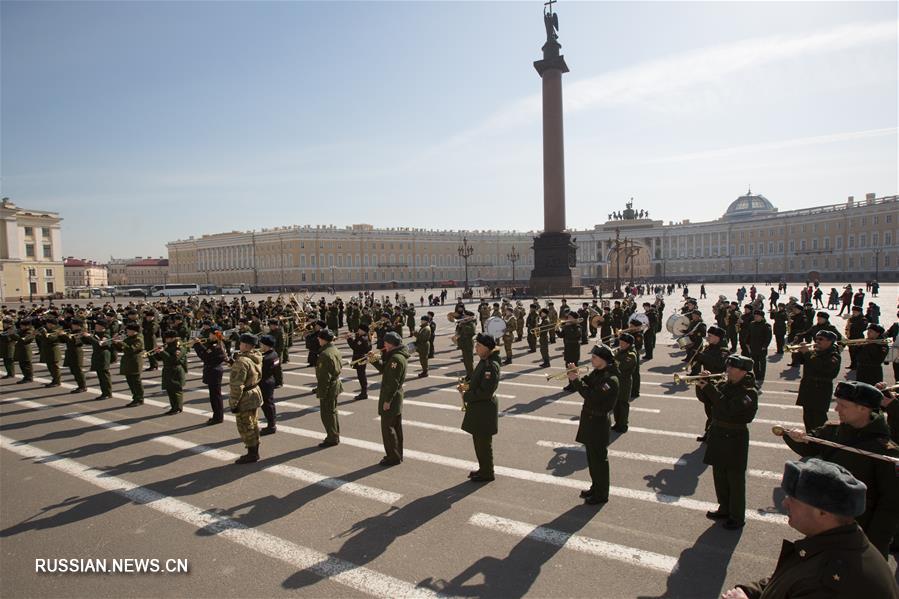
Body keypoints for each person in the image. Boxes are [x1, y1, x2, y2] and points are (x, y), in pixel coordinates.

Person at [721, 458, 898, 599]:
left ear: (822, 513)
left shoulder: (829, 582)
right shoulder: (837, 540)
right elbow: (788, 581)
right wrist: (749, 592)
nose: (784, 503)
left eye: (793, 498)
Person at [782, 380, 899, 557]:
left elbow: (889, 505)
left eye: (843, 405)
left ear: (864, 409)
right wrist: (796, 437)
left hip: (859, 532)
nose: (837, 409)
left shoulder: (884, 450)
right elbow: (810, 447)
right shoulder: (834, 431)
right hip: (825, 524)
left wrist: (874, 544)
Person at [696, 355, 759, 530]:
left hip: (734, 436)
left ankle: (737, 516)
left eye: (732, 368)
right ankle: (724, 508)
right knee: (720, 475)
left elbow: (728, 408)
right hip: (718, 432)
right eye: (728, 367)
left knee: (735, 478)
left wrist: (710, 389)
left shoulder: (749, 392)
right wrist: (702, 384)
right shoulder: (725, 385)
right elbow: (707, 400)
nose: (728, 370)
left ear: (743, 371)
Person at [568, 344, 618, 505]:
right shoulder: (598, 372)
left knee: (599, 461)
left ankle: (602, 494)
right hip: (590, 420)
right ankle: (595, 487)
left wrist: (575, 381)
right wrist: (576, 375)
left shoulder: (610, 380)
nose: (591, 359)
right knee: (592, 458)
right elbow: (586, 383)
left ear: (603, 360)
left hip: (598, 422)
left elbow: (591, 396)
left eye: (595, 357)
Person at [461, 333, 501, 482]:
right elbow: (477, 382)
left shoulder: (490, 366)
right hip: (479, 408)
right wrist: (466, 386)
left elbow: (485, 392)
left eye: (478, 346)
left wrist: (467, 395)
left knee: (483, 444)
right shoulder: (485, 360)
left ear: (487, 348)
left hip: (483, 409)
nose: (475, 348)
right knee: (479, 443)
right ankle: (483, 469)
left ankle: (487, 473)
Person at [371, 331, 408, 466]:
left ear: (391, 344)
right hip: (394, 397)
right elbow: (385, 371)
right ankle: (397, 454)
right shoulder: (396, 356)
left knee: (388, 430)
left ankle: (393, 457)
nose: (384, 345)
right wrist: (374, 360)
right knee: (395, 428)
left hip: (391, 398)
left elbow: (393, 382)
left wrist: (387, 401)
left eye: (386, 343)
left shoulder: (395, 359)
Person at [794, 330, 841, 432]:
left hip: (820, 390)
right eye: (816, 338)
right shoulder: (814, 352)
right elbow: (799, 361)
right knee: (808, 418)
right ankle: (811, 441)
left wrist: (806, 353)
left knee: (818, 419)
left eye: (821, 339)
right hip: (808, 388)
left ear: (830, 342)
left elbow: (822, 367)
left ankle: (822, 442)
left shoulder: (834, 355)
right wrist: (798, 350)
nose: (817, 341)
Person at [229, 333, 264, 464]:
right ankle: (255, 449)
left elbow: (237, 385)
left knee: (245, 425)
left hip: (246, 396)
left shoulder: (242, 361)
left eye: (241, 343)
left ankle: (252, 453)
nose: (239, 345)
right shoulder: (256, 356)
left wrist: (233, 403)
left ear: (245, 345)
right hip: (254, 392)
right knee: (253, 422)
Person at [314, 328, 342, 447]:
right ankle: (334, 434)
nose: (318, 340)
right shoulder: (334, 349)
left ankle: (332, 437)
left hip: (329, 386)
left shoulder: (325, 354)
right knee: (333, 412)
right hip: (335, 384)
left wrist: (321, 392)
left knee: (327, 414)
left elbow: (324, 377)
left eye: (319, 338)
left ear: (323, 340)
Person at [194, 329, 228, 425]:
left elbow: (204, 356)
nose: (209, 336)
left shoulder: (215, 346)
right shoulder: (216, 344)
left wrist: (197, 345)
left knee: (215, 396)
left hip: (214, 371)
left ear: (214, 336)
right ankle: (217, 416)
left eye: (210, 334)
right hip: (213, 370)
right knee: (215, 395)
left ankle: (218, 417)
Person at [113, 323, 145, 407]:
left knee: (136, 382)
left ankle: (139, 398)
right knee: (130, 381)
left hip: (135, 362)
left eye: (129, 330)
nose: (127, 332)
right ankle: (135, 398)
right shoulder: (128, 338)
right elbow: (121, 349)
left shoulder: (138, 339)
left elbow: (131, 349)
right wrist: (116, 343)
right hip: (127, 361)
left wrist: (121, 343)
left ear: (135, 331)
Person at [156, 330, 187, 415]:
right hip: (168, 370)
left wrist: (163, 352)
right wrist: (158, 352)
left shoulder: (179, 347)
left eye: (168, 338)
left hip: (175, 370)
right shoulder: (167, 346)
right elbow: (162, 358)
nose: (166, 340)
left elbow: (174, 360)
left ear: (173, 338)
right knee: (170, 390)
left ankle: (178, 408)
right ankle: (173, 407)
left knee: (176, 390)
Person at [83, 319, 115, 399]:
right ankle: (104, 393)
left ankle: (107, 393)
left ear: (102, 327)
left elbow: (100, 344)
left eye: (97, 325)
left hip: (103, 356)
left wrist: (90, 337)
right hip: (98, 356)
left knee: (104, 376)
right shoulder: (97, 333)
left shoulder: (106, 335)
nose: (96, 326)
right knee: (100, 376)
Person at [612, 333, 637, 433]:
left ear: (628, 344)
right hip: (618, 380)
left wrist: (611, 362)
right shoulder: (621, 351)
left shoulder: (630, 355)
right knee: (616, 403)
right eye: (620, 342)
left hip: (624, 381)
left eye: (622, 343)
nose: (620, 344)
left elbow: (620, 368)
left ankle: (623, 425)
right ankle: (617, 423)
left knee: (622, 404)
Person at [258, 335, 281, 435]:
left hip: (265, 382)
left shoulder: (266, 358)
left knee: (267, 405)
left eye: (261, 344)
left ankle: (271, 426)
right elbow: (277, 370)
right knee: (269, 404)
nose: (260, 345)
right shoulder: (274, 354)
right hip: (270, 380)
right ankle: (271, 424)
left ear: (266, 345)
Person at [746, 309, 772, 387]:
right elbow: (749, 334)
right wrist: (747, 343)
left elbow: (768, 337)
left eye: (757, 316)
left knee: (762, 362)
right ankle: (756, 375)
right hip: (753, 346)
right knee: (755, 362)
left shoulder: (766, 325)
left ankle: (761, 375)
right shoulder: (752, 324)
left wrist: (765, 346)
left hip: (761, 347)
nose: (756, 317)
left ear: (762, 317)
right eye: (755, 316)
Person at [345, 325, 371, 399]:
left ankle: (364, 393)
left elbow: (355, 347)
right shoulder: (363, 337)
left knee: (361, 376)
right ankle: (363, 392)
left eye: (359, 329)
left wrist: (349, 339)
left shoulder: (362, 338)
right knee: (361, 375)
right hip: (360, 357)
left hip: (360, 358)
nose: (358, 330)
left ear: (363, 331)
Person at [560, 312, 582, 392]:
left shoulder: (578, 327)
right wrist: (557, 330)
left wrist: (567, 326)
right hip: (567, 349)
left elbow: (574, 335)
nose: (568, 319)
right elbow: (561, 335)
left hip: (574, 350)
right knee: (568, 367)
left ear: (574, 318)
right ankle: (570, 384)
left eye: (569, 317)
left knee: (573, 368)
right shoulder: (567, 326)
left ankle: (575, 385)